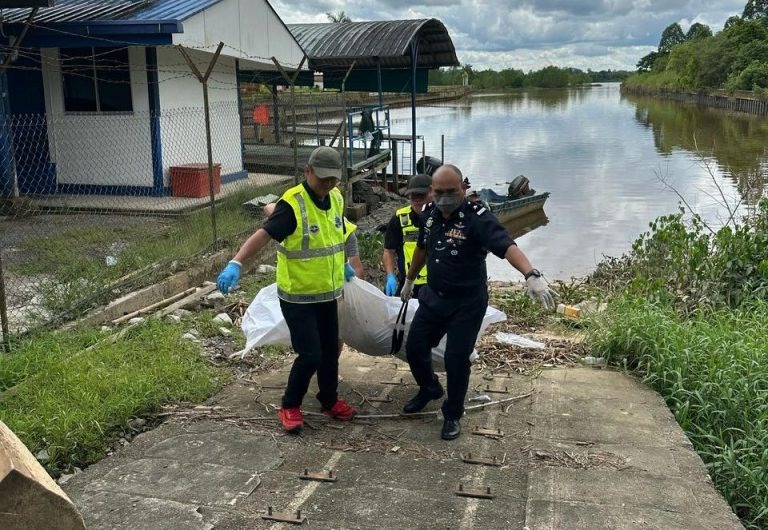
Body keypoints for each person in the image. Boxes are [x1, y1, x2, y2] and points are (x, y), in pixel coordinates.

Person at [399, 164, 555, 440]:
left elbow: (507, 246)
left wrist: (531, 274)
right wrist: (409, 281)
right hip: (433, 298)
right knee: (414, 348)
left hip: (466, 303)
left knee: (456, 359)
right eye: (439, 192)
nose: (445, 196)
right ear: (431, 192)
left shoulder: (478, 217)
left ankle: (452, 414)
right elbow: (422, 249)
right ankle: (430, 388)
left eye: (451, 191)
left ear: (463, 188)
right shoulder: (429, 215)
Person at [217, 146, 357, 433]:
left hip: (328, 293)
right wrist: (236, 262)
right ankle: (290, 405)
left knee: (331, 349)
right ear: (307, 171)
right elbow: (264, 234)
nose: (328, 185)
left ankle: (329, 399)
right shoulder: (293, 205)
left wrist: (344, 262)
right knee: (311, 354)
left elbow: (336, 232)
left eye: (333, 179)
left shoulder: (337, 197)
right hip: (298, 296)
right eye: (323, 179)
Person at [263, 201, 364, 357]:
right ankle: (313, 363)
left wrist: (356, 291)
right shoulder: (301, 216)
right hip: (303, 288)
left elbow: (356, 265)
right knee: (311, 338)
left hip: (331, 290)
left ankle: (330, 366)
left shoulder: (344, 229)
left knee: (336, 333)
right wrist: (284, 217)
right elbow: (269, 208)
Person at [382, 174, 432, 297]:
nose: (417, 200)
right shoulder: (400, 219)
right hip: (408, 284)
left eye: (421, 195)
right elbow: (389, 251)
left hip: (435, 284)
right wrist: (390, 275)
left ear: (432, 194)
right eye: (413, 196)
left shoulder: (442, 218)